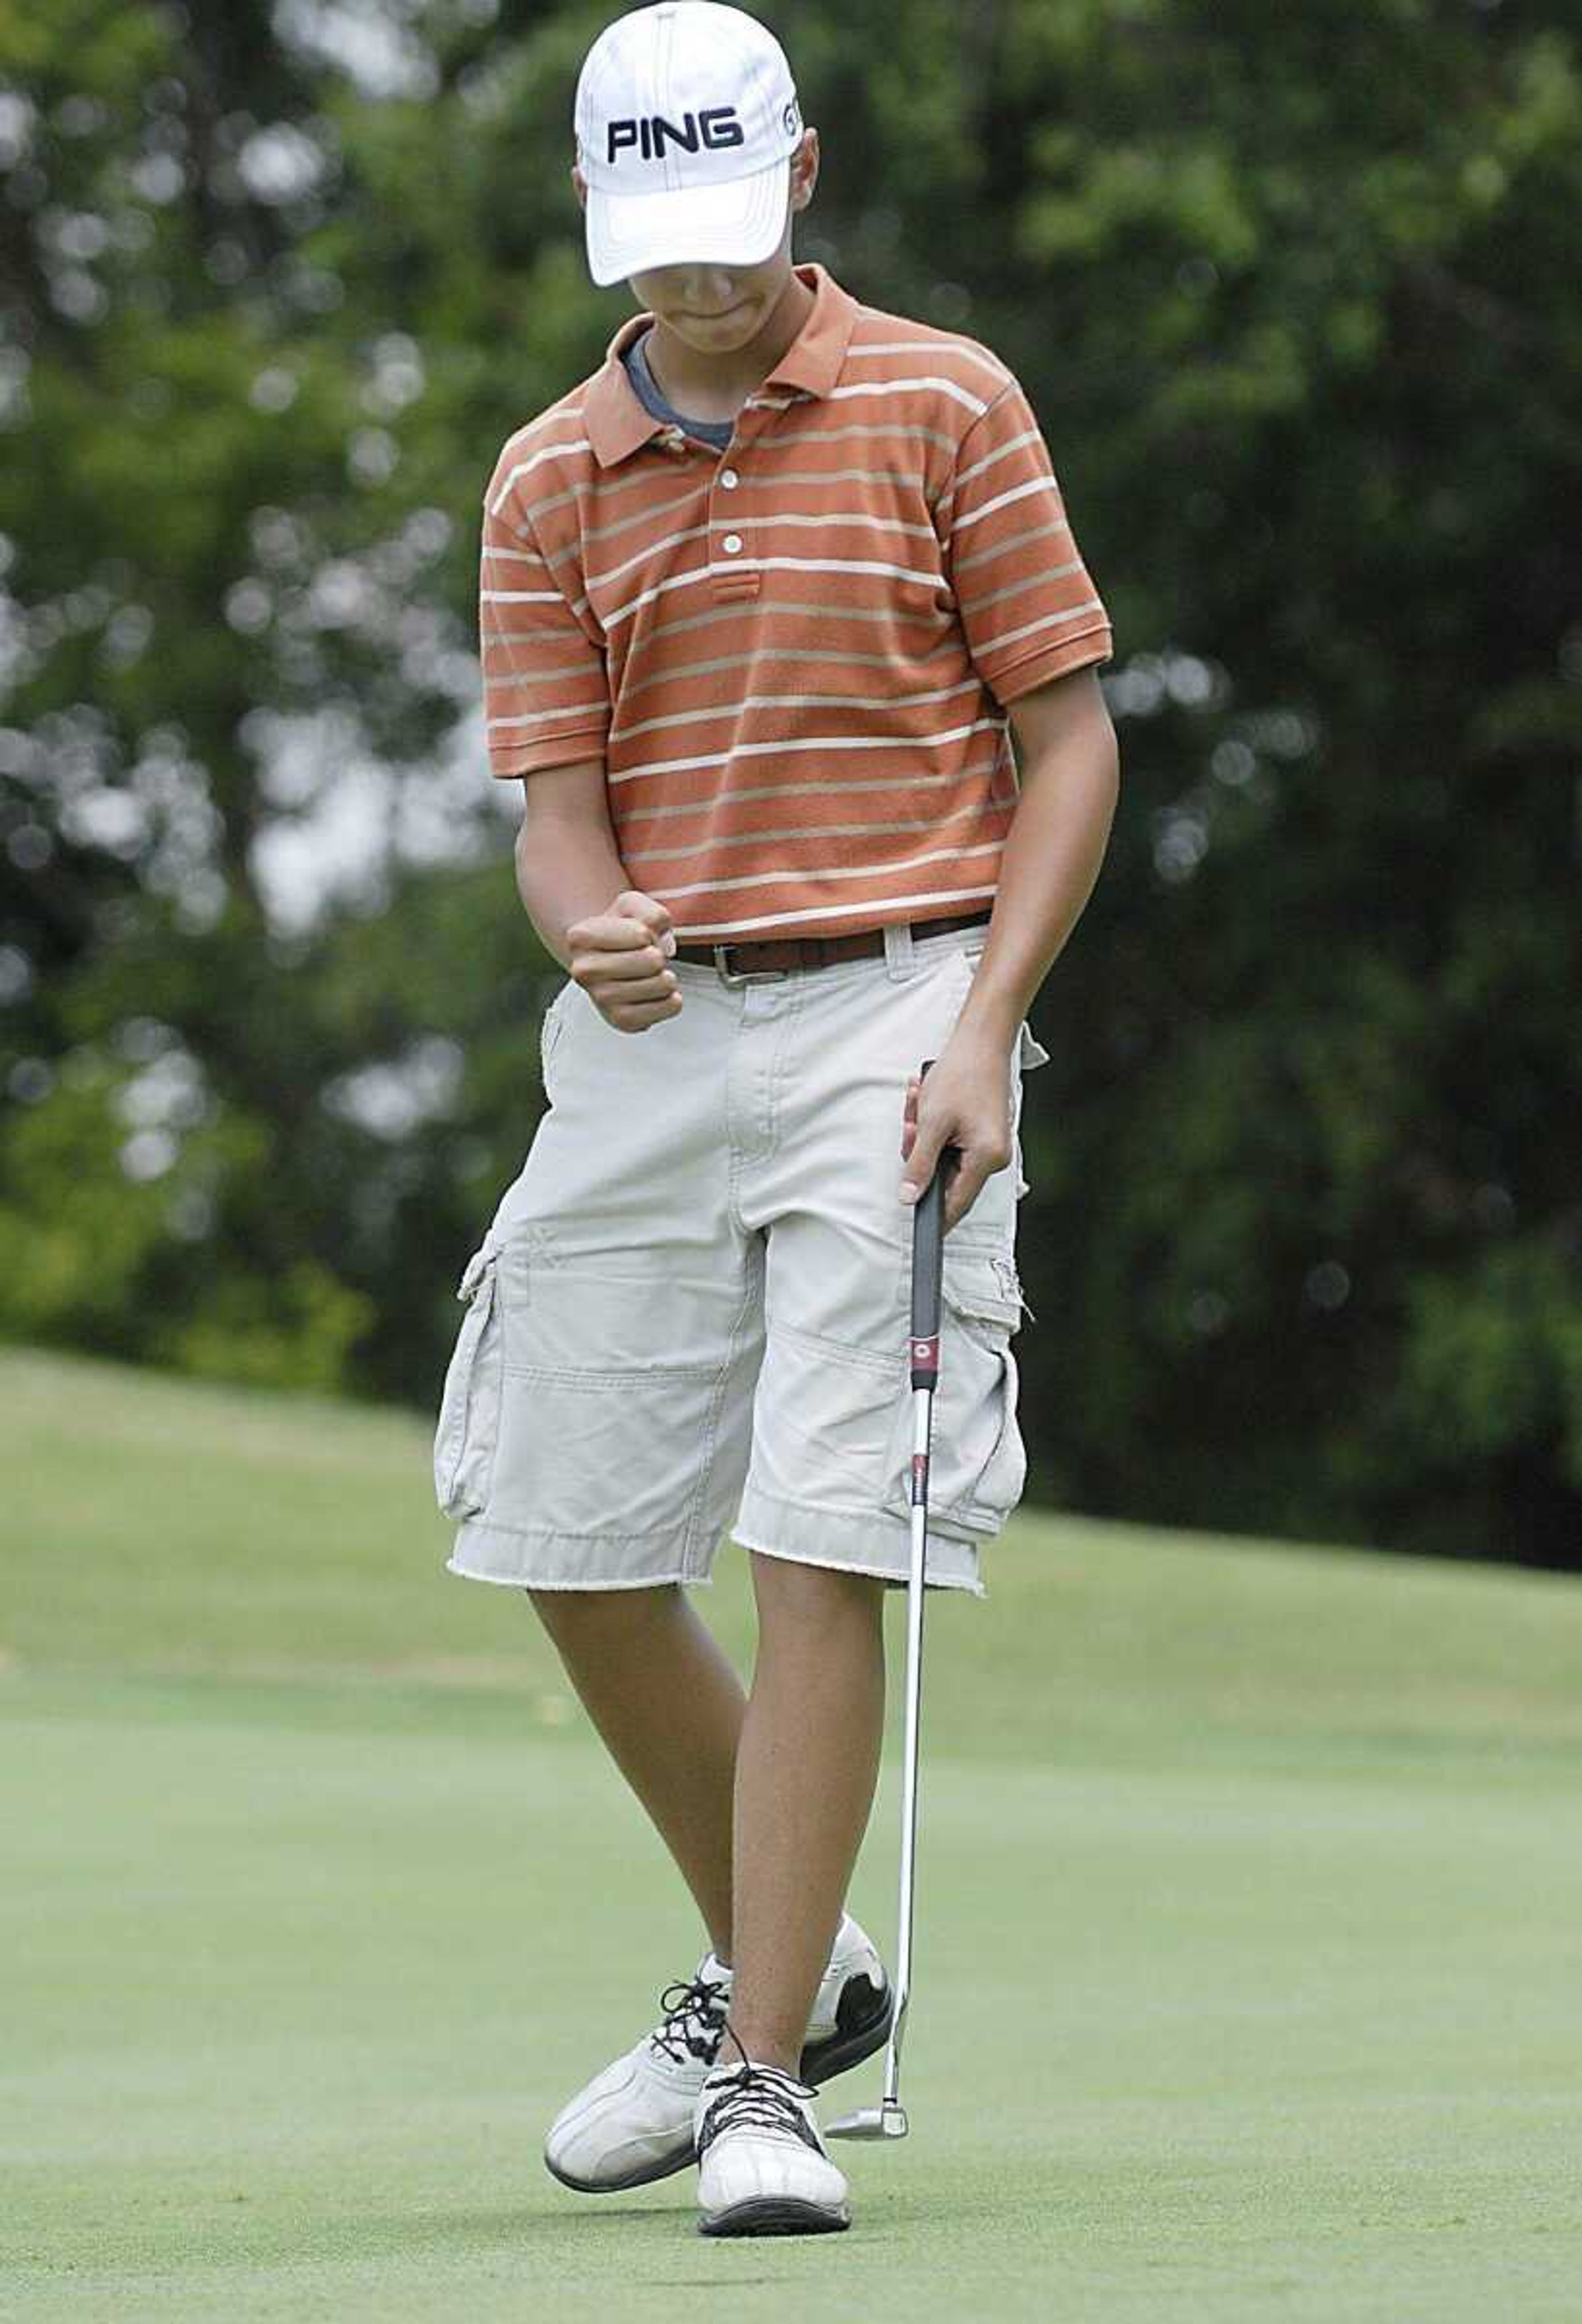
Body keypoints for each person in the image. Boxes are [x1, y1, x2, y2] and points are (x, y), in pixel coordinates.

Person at [432, 0, 1119, 2239]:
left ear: (802, 178)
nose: (697, 288)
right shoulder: (549, 476)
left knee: (824, 1517)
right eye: (657, 245)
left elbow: (1071, 734)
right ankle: (798, 1974)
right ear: (601, 212)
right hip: (650, 1044)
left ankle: (758, 2087)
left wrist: (990, 1024)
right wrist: (587, 923)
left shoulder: (947, 400)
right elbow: (554, 814)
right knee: (566, 1531)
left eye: (729, 236)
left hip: (902, 1004)